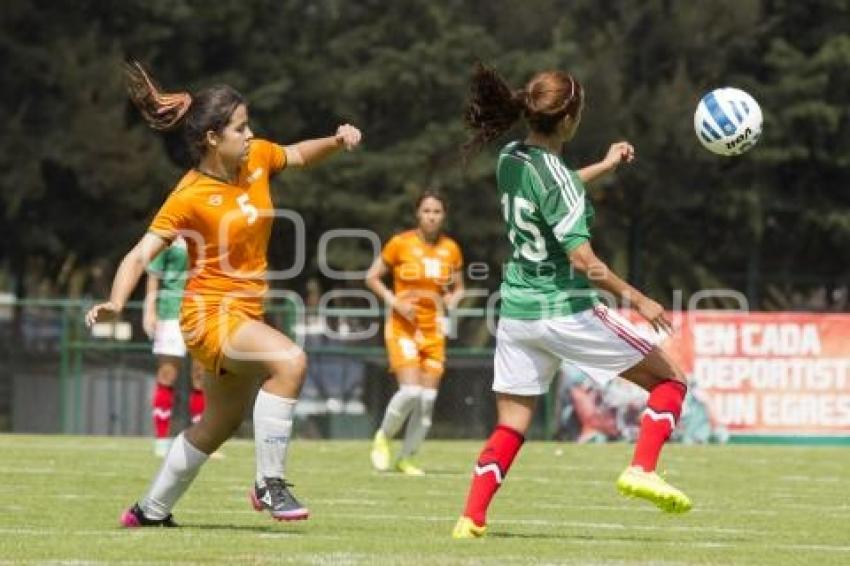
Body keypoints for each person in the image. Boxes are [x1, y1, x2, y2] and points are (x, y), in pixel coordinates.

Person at [85, 61, 362, 527]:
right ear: (213, 138)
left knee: (218, 425)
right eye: (240, 127)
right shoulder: (189, 194)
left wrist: (335, 142)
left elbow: (295, 153)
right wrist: (116, 302)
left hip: (243, 315)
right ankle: (268, 484)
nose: (250, 135)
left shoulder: (255, 159)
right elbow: (138, 255)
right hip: (208, 316)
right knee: (290, 362)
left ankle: (148, 510)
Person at [452, 63, 691, 539]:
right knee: (671, 381)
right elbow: (584, 261)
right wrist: (639, 299)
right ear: (567, 120)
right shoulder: (556, 178)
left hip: (517, 315)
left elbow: (553, 188)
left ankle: (470, 519)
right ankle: (641, 468)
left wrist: (603, 166)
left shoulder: (511, 158)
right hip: (564, 310)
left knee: (512, 425)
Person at [365, 190, 464, 475]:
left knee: (428, 400)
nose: (431, 216)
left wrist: (452, 300)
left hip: (434, 330)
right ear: (417, 214)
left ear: (444, 216)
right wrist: (394, 301)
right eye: (426, 211)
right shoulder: (400, 243)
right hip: (402, 327)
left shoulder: (451, 248)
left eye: (437, 212)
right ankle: (383, 436)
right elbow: (371, 277)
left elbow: (459, 288)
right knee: (410, 392)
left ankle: (407, 457)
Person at [143, 237, 208, 457]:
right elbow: (154, 274)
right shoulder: (170, 234)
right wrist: (149, 309)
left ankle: (201, 443)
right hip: (171, 312)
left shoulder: (209, 231)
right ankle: (162, 440)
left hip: (202, 313)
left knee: (201, 377)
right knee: (167, 375)